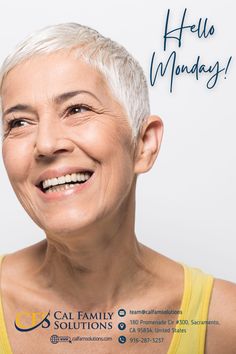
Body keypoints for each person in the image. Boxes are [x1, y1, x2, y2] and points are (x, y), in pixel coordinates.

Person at [0, 23, 235, 354]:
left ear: (143, 144)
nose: (47, 144)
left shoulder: (223, 321)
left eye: (77, 109)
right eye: (19, 123)